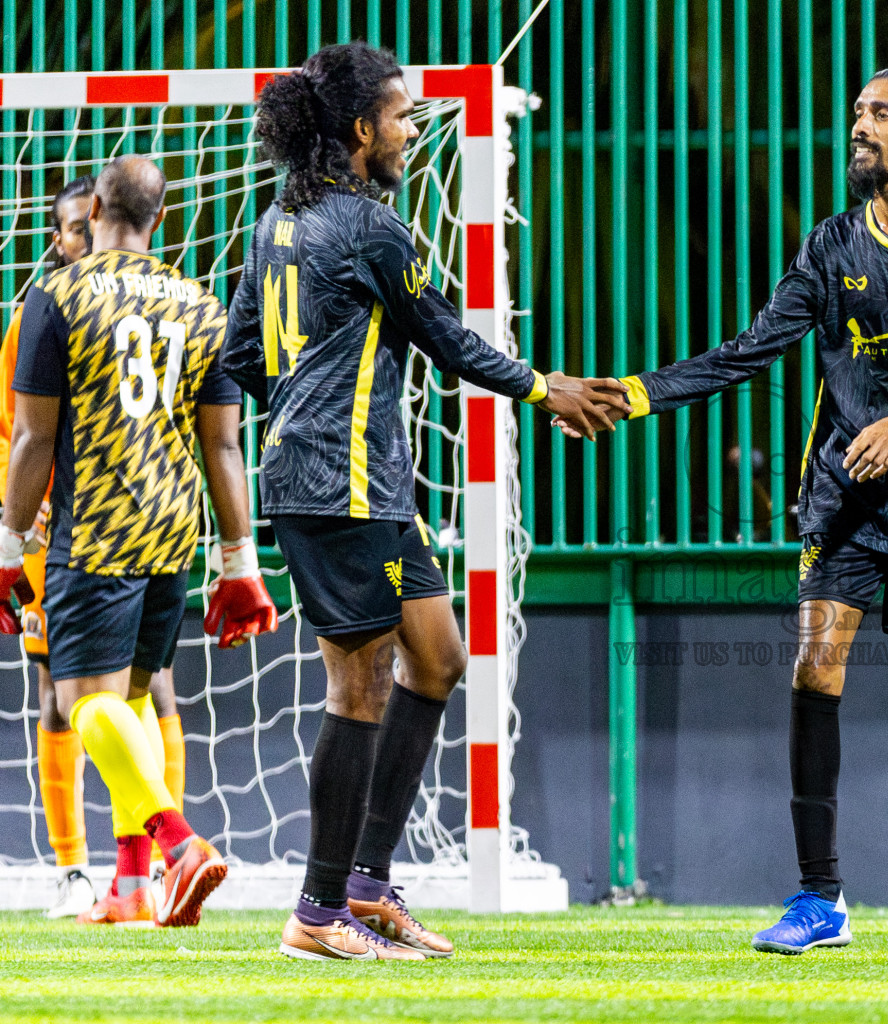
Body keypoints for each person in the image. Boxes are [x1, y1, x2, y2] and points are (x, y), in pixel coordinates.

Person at [221, 43, 629, 962]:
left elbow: (241, 357)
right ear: (362, 130)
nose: (413, 131)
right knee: (358, 681)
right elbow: (445, 337)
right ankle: (318, 912)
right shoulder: (370, 227)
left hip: (352, 479)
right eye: (403, 116)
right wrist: (544, 387)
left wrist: (301, 396)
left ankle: (365, 888)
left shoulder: (278, 223)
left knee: (437, 659)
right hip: (342, 484)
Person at [604, 67, 888, 961]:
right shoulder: (830, 243)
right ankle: (820, 898)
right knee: (814, 667)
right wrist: (636, 395)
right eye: (857, 112)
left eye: (880, 115)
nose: (859, 128)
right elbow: (754, 348)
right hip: (845, 500)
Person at [0, 155, 279, 928]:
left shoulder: (54, 295)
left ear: (92, 211)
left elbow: (31, 437)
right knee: (131, 700)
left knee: (79, 704)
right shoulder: (201, 304)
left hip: (92, 529)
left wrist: (5, 544)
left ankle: (178, 842)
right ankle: (130, 886)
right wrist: (239, 562)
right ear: (162, 219)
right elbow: (225, 447)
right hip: (174, 531)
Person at [0, 174, 189, 921]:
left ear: (107, 221)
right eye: (69, 229)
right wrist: (19, 524)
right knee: (60, 700)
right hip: (61, 535)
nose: (80, 238)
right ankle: (79, 870)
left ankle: (145, 868)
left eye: (88, 224)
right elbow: (16, 433)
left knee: (149, 691)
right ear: (60, 236)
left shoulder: (165, 307)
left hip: (136, 530)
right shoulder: (37, 315)